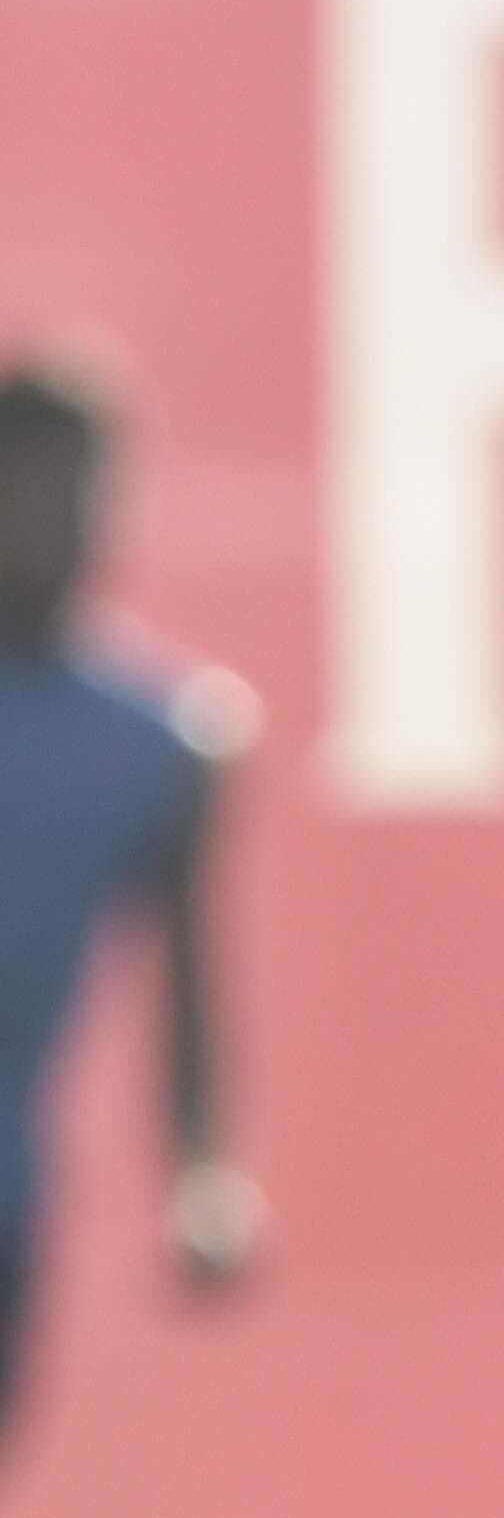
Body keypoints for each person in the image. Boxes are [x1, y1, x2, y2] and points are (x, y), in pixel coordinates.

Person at [0, 354, 262, 1460]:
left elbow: (186, 988)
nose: (53, 521)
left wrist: (202, 1170)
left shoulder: (160, 745)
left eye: (78, 489)